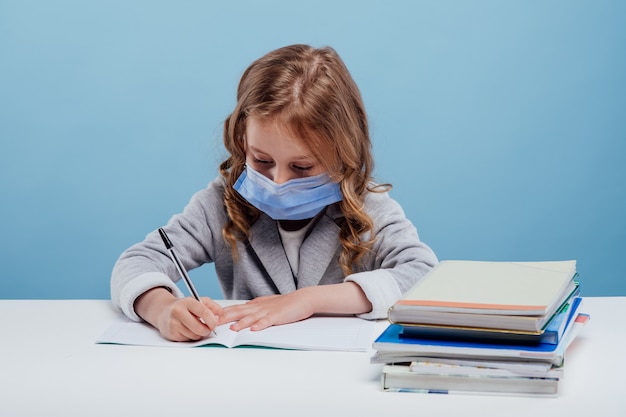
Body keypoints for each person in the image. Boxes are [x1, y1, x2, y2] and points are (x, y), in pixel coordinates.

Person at [111, 44, 438, 342]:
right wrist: (163, 308)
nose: (279, 181)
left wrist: (306, 301)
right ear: (242, 141)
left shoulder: (369, 208)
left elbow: (423, 276)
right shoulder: (222, 203)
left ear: (343, 155)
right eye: (262, 160)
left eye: (302, 167)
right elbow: (137, 262)